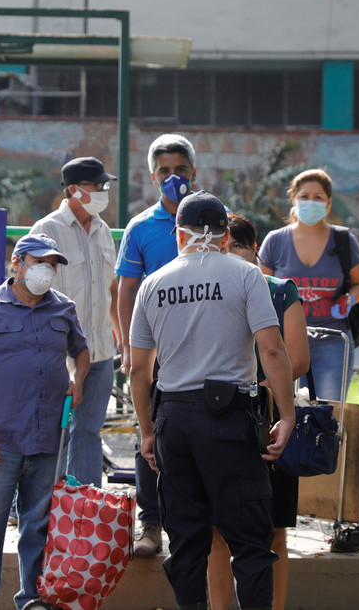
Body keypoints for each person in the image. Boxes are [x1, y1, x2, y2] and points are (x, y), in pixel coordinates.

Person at [129, 192, 296, 610]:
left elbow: (137, 370)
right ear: (225, 236)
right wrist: (288, 414)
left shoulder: (154, 283)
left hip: (173, 419)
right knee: (250, 542)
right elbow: (273, 351)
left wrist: (147, 432)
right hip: (228, 420)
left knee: (187, 544)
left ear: (180, 234)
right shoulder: (244, 275)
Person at [0, 234, 90, 610]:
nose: (48, 269)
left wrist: (77, 378)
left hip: (48, 438)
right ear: (16, 264)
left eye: (53, 263)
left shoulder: (64, 308)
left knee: (39, 527)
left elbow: (81, 352)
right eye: (39, 261)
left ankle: (33, 599)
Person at [208, 213, 310, 610]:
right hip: (217, 422)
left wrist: (256, 392)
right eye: (222, 246)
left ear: (255, 250)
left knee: (273, 531)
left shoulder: (279, 290)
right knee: (216, 530)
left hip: (269, 422)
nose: (229, 253)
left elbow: (296, 359)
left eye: (237, 246)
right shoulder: (207, 289)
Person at [115, 133, 198, 556]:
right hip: (155, 350)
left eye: (180, 170)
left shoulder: (212, 219)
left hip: (205, 349)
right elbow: (126, 290)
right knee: (148, 433)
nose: (173, 178)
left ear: (194, 173)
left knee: (201, 434)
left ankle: (199, 525)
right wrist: (130, 347)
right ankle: (150, 525)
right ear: (152, 177)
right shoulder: (141, 227)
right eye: (164, 171)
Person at [29, 156, 120, 487]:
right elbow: (30, 293)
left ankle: (83, 509)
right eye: (96, 186)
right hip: (60, 353)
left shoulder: (103, 231)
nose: (102, 192)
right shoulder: (46, 232)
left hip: (100, 351)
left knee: (89, 432)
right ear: (73, 190)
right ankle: (30, 505)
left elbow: (110, 286)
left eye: (104, 186)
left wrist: (120, 334)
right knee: (51, 431)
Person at [259, 168, 359, 401]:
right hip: (286, 344)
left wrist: (349, 299)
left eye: (318, 197)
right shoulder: (275, 241)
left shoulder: (344, 240)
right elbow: (261, 290)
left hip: (333, 342)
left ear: (328, 204)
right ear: (294, 199)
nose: (311, 202)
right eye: (304, 196)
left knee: (328, 415)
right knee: (285, 412)